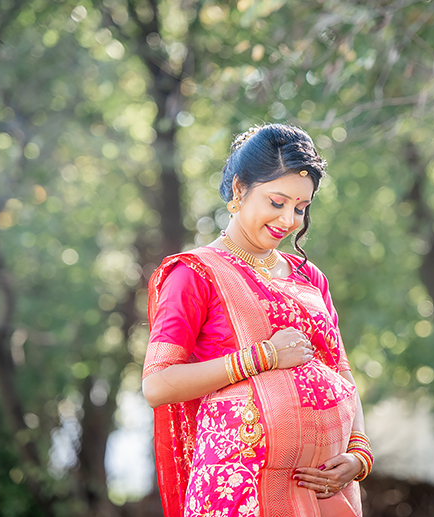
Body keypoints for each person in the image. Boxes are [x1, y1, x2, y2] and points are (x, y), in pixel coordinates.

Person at [142, 123, 373, 517]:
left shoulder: (309, 277)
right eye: (276, 202)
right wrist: (262, 356)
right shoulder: (195, 274)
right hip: (238, 490)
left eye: (301, 208)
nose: (288, 220)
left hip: (323, 492)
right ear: (238, 190)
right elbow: (157, 385)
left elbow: (341, 374)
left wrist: (358, 455)